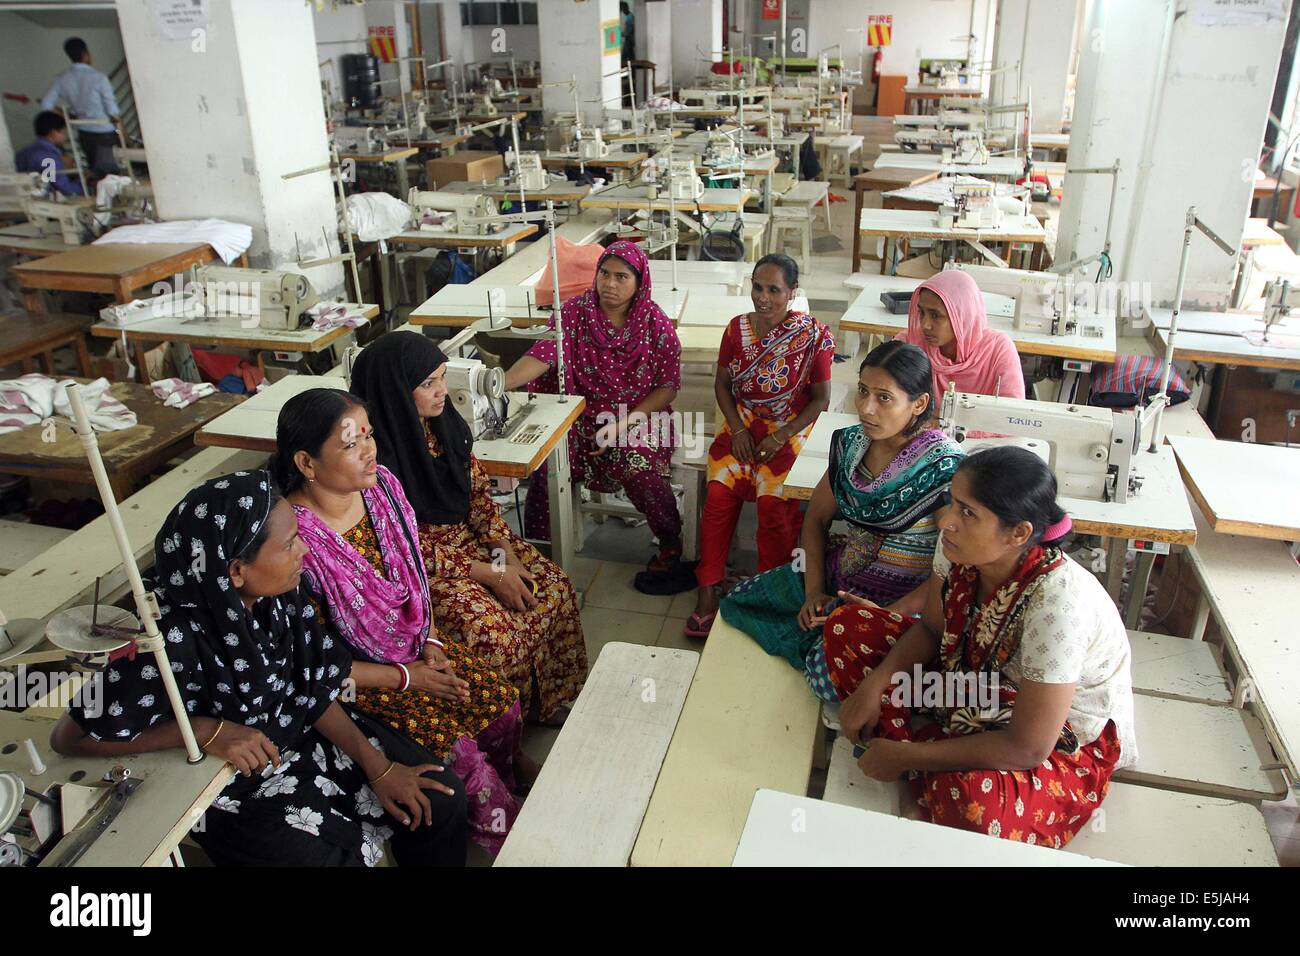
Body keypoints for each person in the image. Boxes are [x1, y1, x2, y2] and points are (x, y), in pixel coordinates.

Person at [50, 471, 468, 866]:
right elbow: (71, 737)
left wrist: (381, 768)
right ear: (235, 571)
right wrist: (203, 730)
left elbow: (314, 686)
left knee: (439, 801)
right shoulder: (166, 640)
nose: (303, 550)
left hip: (299, 735)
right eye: (289, 545)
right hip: (229, 779)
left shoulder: (282, 595)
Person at [823, 446, 1137, 848]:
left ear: (1019, 533)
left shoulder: (1058, 604)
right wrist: (874, 686)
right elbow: (932, 631)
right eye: (952, 503)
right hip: (972, 684)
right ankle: (927, 752)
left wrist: (907, 758)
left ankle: (915, 755)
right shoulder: (957, 548)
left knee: (978, 807)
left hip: (1055, 733)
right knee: (848, 628)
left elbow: (1028, 748)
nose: (946, 522)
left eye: (968, 512)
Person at [272, 388, 537, 855]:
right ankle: (517, 843)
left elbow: (413, 582)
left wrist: (431, 642)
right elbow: (316, 664)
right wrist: (408, 678)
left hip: (415, 650)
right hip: (362, 685)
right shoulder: (294, 542)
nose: (370, 449)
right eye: (351, 443)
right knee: (464, 762)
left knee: (501, 706)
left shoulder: (383, 491)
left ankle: (508, 782)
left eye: (369, 435)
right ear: (307, 464)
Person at [351, 332, 589, 725]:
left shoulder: (446, 429)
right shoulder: (375, 459)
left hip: (470, 543)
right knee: (491, 631)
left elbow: (478, 501)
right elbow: (403, 548)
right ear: (394, 390)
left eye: (443, 377)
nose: (443, 391)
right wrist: (493, 575)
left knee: (551, 586)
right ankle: (506, 725)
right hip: (423, 567)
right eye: (428, 384)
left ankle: (547, 701)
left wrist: (507, 556)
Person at [722, 341, 963, 675]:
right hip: (842, 580)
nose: (866, 408)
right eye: (863, 391)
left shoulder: (944, 469)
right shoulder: (851, 446)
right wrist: (814, 592)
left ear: (919, 403)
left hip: (904, 602)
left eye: (884, 398)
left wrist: (885, 614)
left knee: (825, 671)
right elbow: (816, 519)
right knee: (744, 598)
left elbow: (954, 568)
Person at [505, 239, 685, 572]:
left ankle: (670, 542)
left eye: (621, 277)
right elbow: (544, 354)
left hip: (639, 415)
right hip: (581, 415)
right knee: (547, 463)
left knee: (641, 468)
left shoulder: (655, 324)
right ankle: (543, 557)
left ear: (639, 282)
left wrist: (623, 424)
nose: (610, 284)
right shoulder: (575, 313)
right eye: (604, 273)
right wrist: (499, 382)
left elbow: (667, 387)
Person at [686, 253, 836, 638]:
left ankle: (770, 588)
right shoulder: (736, 330)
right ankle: (708, 590)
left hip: (790, 428)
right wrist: (736, 429)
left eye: (774, 290)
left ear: (792, 293)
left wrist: (780, 435)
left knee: (773, 504)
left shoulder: (812, 336)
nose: (763, 297)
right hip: (744, 423)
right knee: (718, 496)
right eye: (757, 287)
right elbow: (722, 385)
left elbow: (820, 399)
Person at [895, 269, 1026, 401]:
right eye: (921, 312)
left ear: (962, 316)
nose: (925, 325)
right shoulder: (908, 344)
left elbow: (1012, 410)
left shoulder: (998, 350)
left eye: (935, 315)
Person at [40, 37, 122, 176]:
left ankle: (98, 195)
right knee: (111, 175)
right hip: (104, 132)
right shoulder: (99, 77)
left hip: (84, 132)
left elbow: (46, 104)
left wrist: (68, 116)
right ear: (86, 53)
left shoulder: (62, 79)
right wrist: (122, 133)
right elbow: (112, 111)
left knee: (95, 172)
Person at [14, 111, 83, 196]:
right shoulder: (49, 157)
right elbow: (66, 190)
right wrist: (82, 181)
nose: (65, 136)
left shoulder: (24, 152)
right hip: (44, 202)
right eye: (62, 132)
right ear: (53, 133)